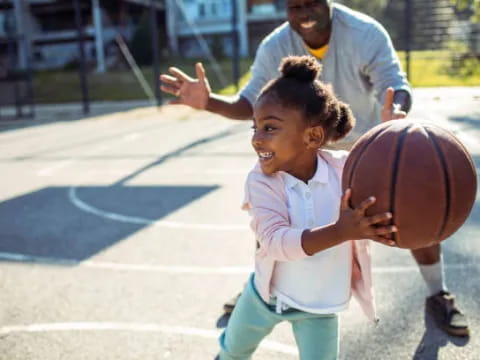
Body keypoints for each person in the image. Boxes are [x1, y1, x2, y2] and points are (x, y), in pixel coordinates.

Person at [160, 0, 469, 337]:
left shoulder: (364, 33)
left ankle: (437, 291)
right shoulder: (275, 46)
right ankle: (261, 289)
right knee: (273, 215)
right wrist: (210, 101)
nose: (304, 13)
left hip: (365, 148)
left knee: (412, 208)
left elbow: (395, 84)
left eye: (311, 3)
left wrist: (394, 113)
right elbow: (249, 103)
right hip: (300, 149)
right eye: (294, 6)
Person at [218, 55, 397, 359]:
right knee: (232, 352)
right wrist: (341, 231)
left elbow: (385, 179)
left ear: (313, 136)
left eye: (270, 128)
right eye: (255, 128)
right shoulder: (262, 181)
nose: (257, 140)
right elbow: (275, 242)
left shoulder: (344, 171)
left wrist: (393, 139)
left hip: (319, 306)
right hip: (266, 297)